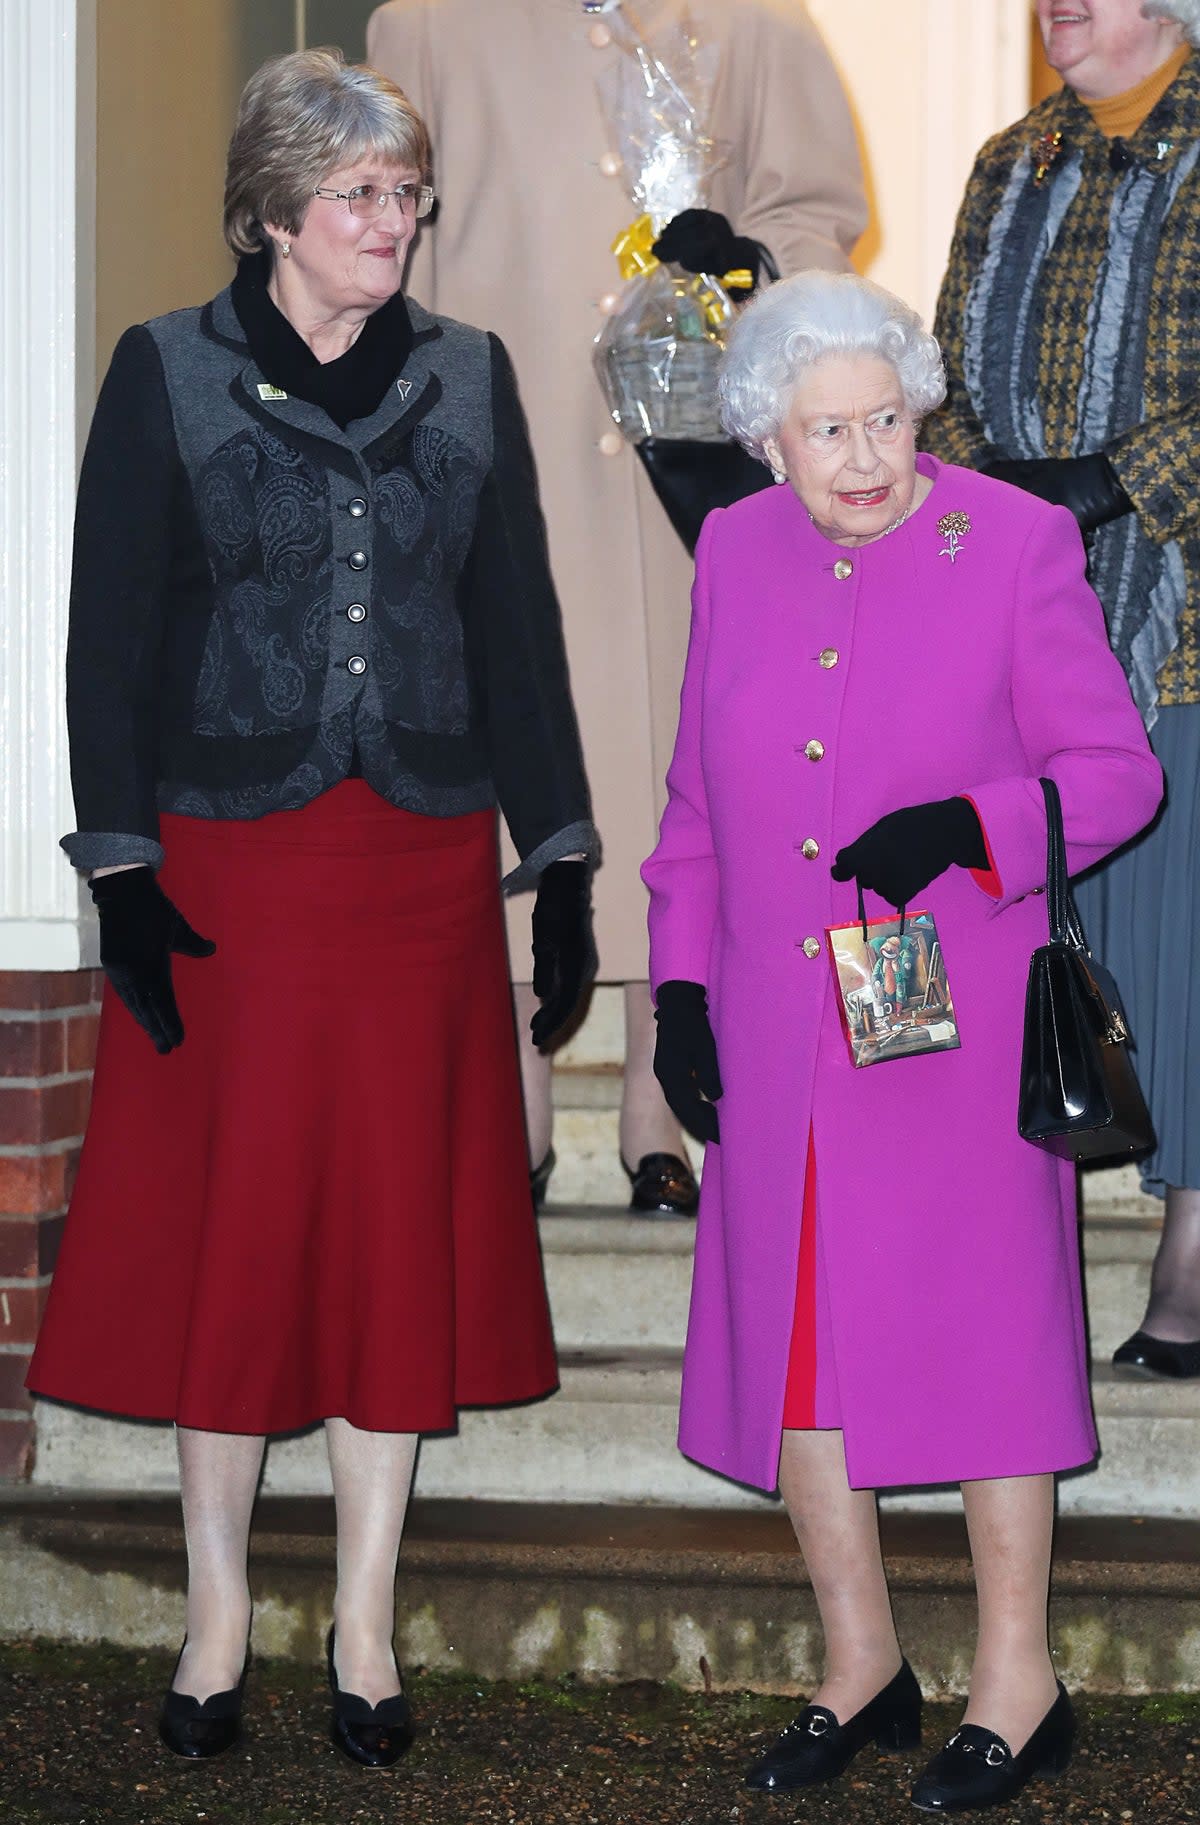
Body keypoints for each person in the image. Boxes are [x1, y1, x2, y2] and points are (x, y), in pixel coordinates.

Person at [28, 48, 596, 1766]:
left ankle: (362, 1622)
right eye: (361, 197)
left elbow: (520, 639)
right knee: (242, 1239)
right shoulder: (166, 374)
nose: (393, 225)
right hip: (232, 876)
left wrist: (558, 864)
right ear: (275, 211)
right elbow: (107, 641)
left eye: (407, 197)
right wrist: (120, 870)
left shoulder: (473, 379)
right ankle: (214, 1621)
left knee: (385, 1246)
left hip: (420, 871)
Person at [644, 270, 1162, 1813]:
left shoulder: (1012, 539)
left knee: (990, 1333)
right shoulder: (735, 551)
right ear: (766, 444)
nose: (864, 458)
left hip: (953, 1011)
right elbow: (692, 808)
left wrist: (974, 825)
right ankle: (858, 1662)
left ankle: (1021, 1675)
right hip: (780, 1014)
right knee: (796, 1340)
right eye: (826, 432)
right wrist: (678, 989)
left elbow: (1117, 773)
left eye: (885, 420)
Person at [367, 0, 866, 1215]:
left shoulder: (753, 24)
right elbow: (388, 249)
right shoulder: (429, 26)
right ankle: (517, 1080)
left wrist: (746, 271)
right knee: (510, 759)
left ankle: (661, 1086)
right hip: (501, 461)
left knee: (681, 767)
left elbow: (818, 216)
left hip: (693, 476)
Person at [924, 0, 1200, 1379]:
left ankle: (1195, 1254)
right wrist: (993, 491)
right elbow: (946, 373)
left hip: (1189, 615)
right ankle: (1001, 1252)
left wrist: (1113, 484)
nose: (1055, 4)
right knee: (1023, 941)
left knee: (1184, 943)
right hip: (1023, 608)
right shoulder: (1009, 159)